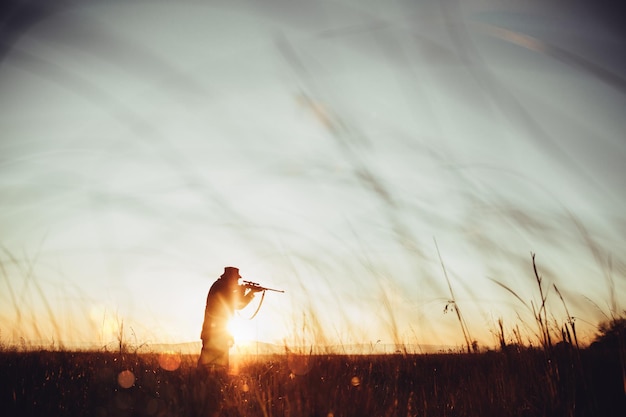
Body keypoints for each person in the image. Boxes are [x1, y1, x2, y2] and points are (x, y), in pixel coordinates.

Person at [198, 266, 259, 372]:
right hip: (215, 333)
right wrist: (248, 292)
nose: (237, 281)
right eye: (236, 279)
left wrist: (248, 292)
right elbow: (238, 304)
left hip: (215, 332)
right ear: (230, 277)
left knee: (212, 365)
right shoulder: (222, 287)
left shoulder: (220, 286)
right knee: (213, 366)